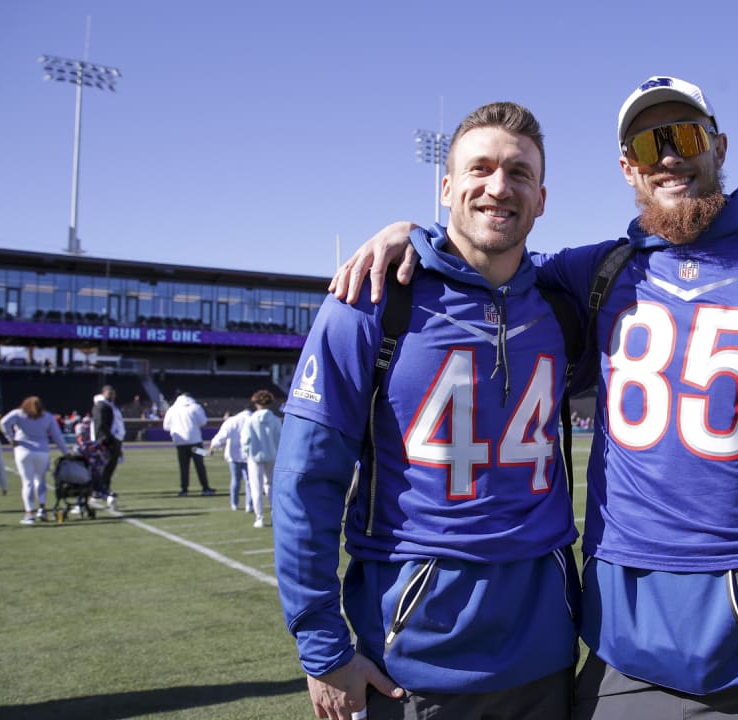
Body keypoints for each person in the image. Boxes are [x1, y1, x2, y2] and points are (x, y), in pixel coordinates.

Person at [336, 76, 738, 720]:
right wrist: (415, 237)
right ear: (626, 166)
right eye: (646, 141)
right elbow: (488, 256)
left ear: (718, 146)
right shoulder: (594, 273)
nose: (668, 155)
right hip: (621, 655)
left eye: (684, 135)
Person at [274, 102, 587, 720]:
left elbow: (659, 250)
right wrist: (321, 646)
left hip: (547, 657)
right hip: (413, 663)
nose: (499, 186)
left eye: (520, 173)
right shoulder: (369, 301)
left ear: (543, 197)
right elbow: (305, 480)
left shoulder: (564, 301)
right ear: (446, 187)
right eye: (481, 168)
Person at [0, 396, 69, 525]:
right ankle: (42, 508)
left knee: (27, 482)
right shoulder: (47, 417)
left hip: (23, 450)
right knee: (40, 480)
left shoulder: (19, 414)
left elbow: (3, 422)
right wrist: (66, 452)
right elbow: (57, 436)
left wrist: (10, 438)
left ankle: (29, 513)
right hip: (42, 451)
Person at [239, 390, 280, 529]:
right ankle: (276, 515)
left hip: (254, 457)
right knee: (271, 486)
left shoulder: (250, 420)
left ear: (256, 403)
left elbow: (245, 439)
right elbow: (280, 439)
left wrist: (246, 453)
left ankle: (260, 518)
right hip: (272, 456)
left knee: (256, 488)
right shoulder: (275, 420)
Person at [162, 391, 214, 497]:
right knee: (200, 465)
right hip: (195, 441)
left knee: (183, 467)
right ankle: (205, 488)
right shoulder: (195, 407)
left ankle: (184, 489)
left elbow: (166, 426)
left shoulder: (172, 410)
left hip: (180, 443)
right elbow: (203, 421)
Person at [209, 406, 253, 512]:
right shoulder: (253, 419)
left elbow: (222, 435)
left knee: (235, 480)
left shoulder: (232, 421)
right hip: (249, 455)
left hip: (234, 455)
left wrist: (213, 445)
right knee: (250, 481)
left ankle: (234, 504)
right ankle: (249, 505)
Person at [91, 385, 126, 505]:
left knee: (110, 467)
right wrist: (107, 439)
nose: (112, 395)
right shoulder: (101, 406)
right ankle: (98, 491)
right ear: (103, 393)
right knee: (104, 467)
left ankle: (104, 489)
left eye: (113, 393)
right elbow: (101, 425)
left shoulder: (110, 406)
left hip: (114, 440)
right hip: (107, 441)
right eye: (109, 393)